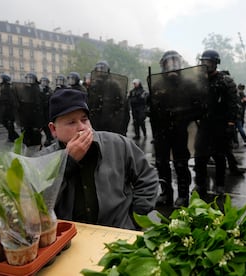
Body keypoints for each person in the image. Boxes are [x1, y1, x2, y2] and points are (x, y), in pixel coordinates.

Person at [35, 88, 159, 230]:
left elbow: (147, 177)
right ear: (53, 129)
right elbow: (36, 207)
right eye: (71, 122)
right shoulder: (43, 159)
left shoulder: (118, 144)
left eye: (84, 119)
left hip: (119, 232)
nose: (81, 127)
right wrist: (67, 162)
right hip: (70, 239)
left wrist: (137, 217)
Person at [148, 50, 196, 208]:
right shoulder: (157, 85)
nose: (172, 67)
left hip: (179, 130)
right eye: (168, 63)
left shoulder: (188, 85)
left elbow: (197, 107)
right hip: (162, 131)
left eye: (175, 62)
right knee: (161, 163)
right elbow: (152, 110)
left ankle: (183, 195)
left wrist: (184, 115)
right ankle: (166, 193)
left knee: (181, 163)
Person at [194, 49, 239, 196]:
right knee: (200, 157)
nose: (206, 65)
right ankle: (200, 184)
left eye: (209, 62)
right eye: (203, 62)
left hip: (221, 125)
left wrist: (231, 124)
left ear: (215, 63)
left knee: (220, 157)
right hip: (204, 124)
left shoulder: (226, 81)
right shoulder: (199, 81)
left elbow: (233, 104)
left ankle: (220, 184)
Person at [0, 74, 19, 142]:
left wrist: (2, 101)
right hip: (6, 109)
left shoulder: (7, 88)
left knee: (9, 123)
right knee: (7, 123)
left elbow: (11, 99)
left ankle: (12, 137)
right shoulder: (3, 87)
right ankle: (14, 136)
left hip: (9, 109)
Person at [40, 77, 53, 146]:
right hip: (40, 111)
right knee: (43, 125)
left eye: (45, 81)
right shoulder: (39, 90)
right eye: (42, 81)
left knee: (47, 125)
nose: (43, 83)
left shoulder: (49, 91)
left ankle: (49, 138)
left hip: (47, 111)